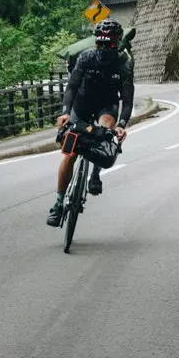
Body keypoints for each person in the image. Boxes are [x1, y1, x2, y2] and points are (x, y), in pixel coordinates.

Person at [47, 19, 134, 227]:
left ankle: (95, 174)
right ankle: (58, 204)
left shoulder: (123, 63)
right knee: (69, 156)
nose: (105, 48)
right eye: (101, 43)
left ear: (117, 43)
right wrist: (65, 113)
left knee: (105, 129)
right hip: (82, 105)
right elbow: (71, 87)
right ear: (96, 43)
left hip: (107, 105)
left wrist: (122, 124)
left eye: (110, 44)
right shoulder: (86, 58)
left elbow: (128, 100)